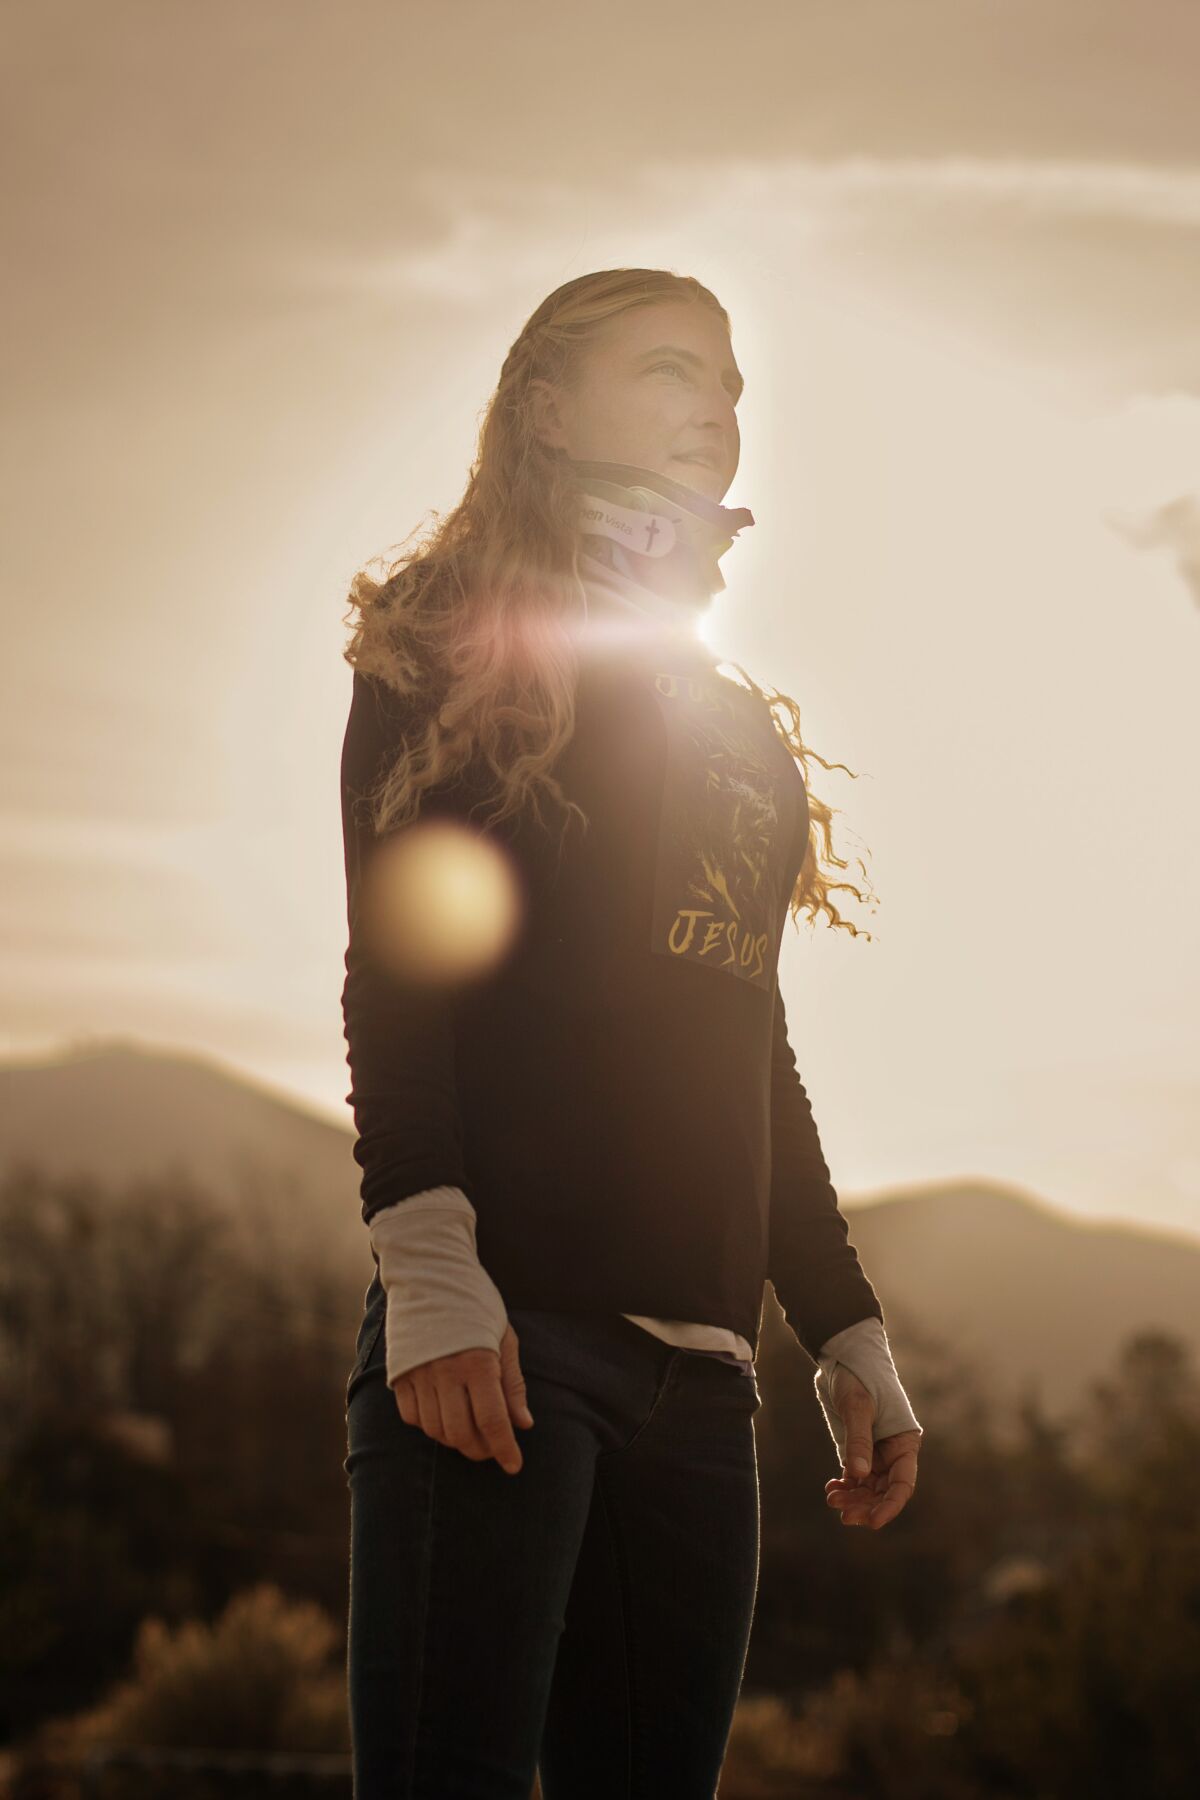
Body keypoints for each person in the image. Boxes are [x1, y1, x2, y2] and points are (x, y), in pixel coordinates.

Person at [339, 268, 923, 1799]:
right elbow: (401, 969)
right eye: (672, 370)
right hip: (506, 1341)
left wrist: (841, 1323)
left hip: (703, 1382)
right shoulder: (451, 639)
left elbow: (746, 1033)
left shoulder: (723, 722)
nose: (719, 410)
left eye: (735, 387)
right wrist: (428, 1271)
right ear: (546, 409)